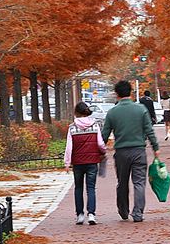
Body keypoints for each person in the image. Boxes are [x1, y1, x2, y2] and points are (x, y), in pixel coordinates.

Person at [100, 80, 160, 222]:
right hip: (139, 150)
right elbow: (149, 130)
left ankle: (123, 210)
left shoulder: (112, 112)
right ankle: (138, 212)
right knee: (139, 182)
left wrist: (100, 149)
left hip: (121, 152)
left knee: (122, 182)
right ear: (131, 93)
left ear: (117, 94)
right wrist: (155, 147)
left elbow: (104, 134)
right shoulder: (141, 110)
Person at [64, 101, 107, 225]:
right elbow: (100, 143)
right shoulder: (95, 125)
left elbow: (69, 146)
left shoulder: (72, 127)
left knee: (78, 188)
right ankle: (91, 214)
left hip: (78, 162)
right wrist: (103, 151)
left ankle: (80, 215)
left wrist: (67, 162)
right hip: (92, 161)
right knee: (91, 188)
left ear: (76, 113)